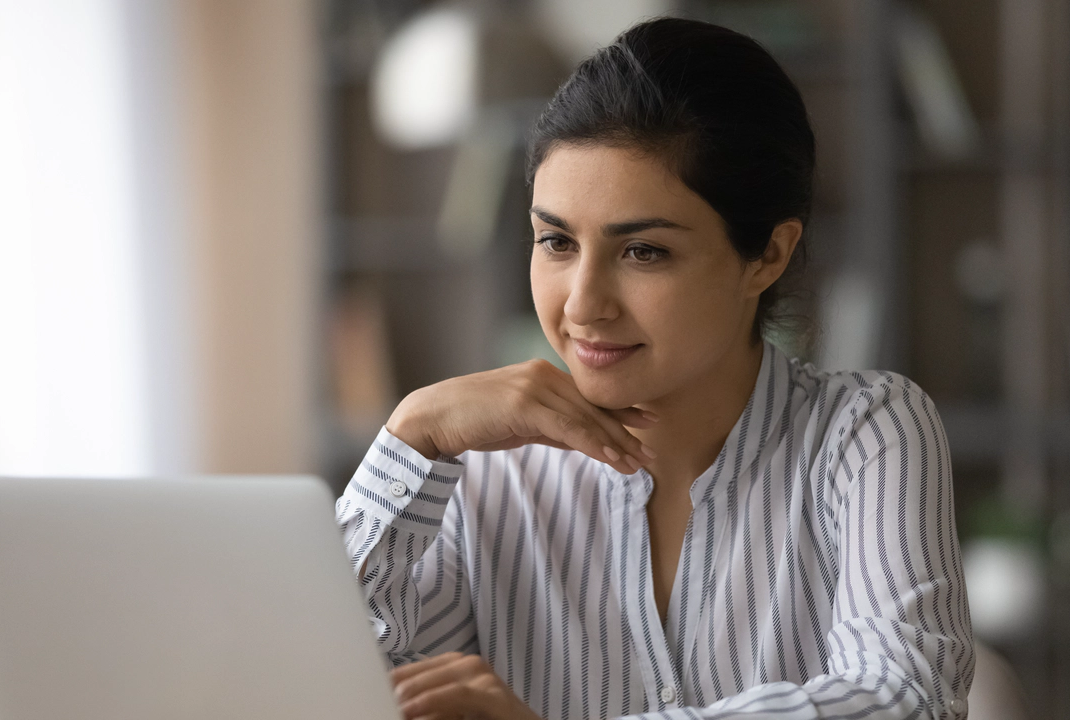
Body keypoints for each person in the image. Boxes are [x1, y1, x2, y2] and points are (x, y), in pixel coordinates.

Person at [336, 16, 974, 720]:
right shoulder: (484, 474)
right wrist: (412, 435)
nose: (583, 305)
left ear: (767, 255)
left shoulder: (865, 431)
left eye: (643, 251)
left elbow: (906, 697)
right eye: (555, 241)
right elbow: (326, 684)